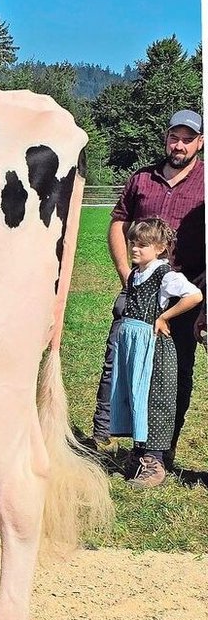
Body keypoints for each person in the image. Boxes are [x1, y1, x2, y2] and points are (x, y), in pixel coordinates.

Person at [93, 109, 205, 468]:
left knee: (174, 371)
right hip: (138, 288)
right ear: (166, 138)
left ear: (200, 143)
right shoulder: (142, 179)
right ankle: (124, 438)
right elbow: (118, 220)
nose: (180, 145)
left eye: (189, 139)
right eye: (175, 137)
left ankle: (159, 452)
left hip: (184, 292)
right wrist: (126, 271)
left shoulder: (206, 182)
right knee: (124, 363)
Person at [106, 218, 203, 488]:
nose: (134, 249)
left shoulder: (165, 275)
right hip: (133, 347)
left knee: (154, 398)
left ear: (160, 248)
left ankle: (154, 460)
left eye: (142, 245)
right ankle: (137, 456)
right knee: (135, 397)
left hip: (153, 349)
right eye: (132, 243)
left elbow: (194, 295)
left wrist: (164, 317)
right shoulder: (137, 274)